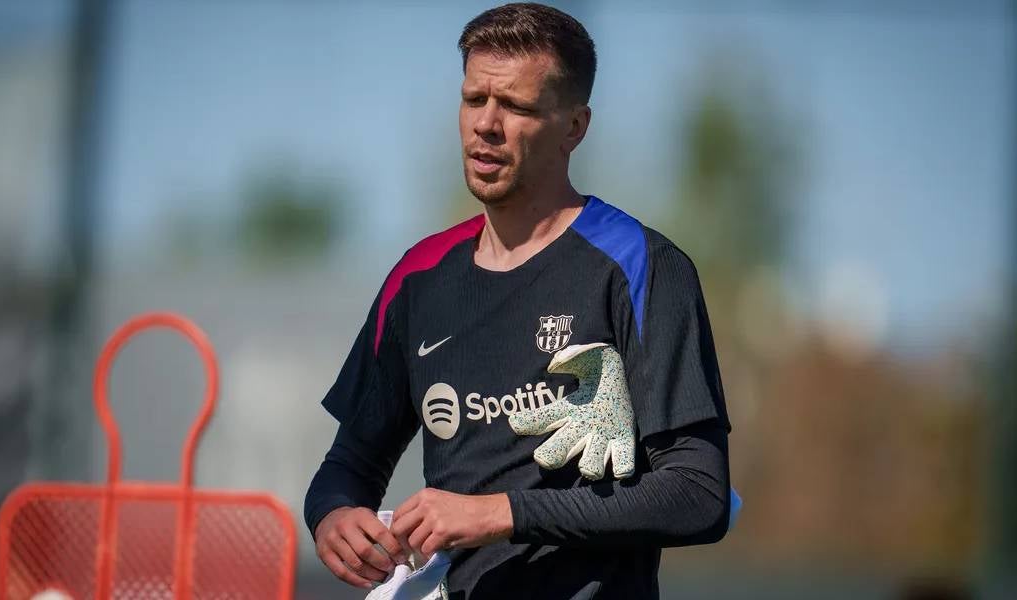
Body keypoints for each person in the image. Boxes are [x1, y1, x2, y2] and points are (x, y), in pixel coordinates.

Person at [304, 3, 732, 598]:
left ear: (575, 127)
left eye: (518, 107)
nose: (486, 123)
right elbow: (348, 465)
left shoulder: (641, 265)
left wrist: (496, 513)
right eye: (474, 98)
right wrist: (333, 517)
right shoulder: (418, 276)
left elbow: (698, 493)